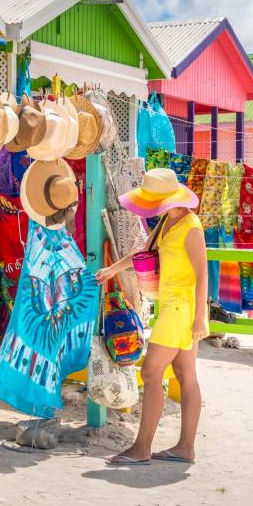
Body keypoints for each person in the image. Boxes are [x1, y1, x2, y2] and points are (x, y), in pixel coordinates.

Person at [97, 168, 208, 465]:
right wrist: (112, 270)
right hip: (172, 305)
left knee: (150, 372)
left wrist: (200, 318)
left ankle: (142, 447)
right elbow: (142, 253)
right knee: (186, 376)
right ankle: (185, 448)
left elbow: (202, 274)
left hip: (180, 307)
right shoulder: (166, 221)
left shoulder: (190, 227)